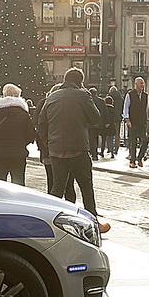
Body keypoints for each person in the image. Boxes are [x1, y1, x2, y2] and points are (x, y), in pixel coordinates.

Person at [36, 68, 108, 231]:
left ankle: (50, 221)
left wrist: (49, 143)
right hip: (78, 148)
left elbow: (41, 123)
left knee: (58, 187)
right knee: (86, 186)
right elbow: (96, 118)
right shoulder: (83, 95)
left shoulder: (51, 97)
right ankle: (93, 223)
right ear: (80, 82)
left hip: (56, 150)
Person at [0, 84, 36, 186]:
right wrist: (22, 143)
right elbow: (31, 134)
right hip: (18, 154)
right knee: (18, 184)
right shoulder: (23, 113)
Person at [125, 76, 149, 169]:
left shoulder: (145, 96)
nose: (143, 85)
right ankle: (132, 161)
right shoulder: (130, 94)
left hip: (142, 122)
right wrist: (127, 119)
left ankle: (140, 158)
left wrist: (148, 121)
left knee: (146, 140)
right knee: (133, 142)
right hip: (133, 121)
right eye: (141, 83)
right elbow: (126, 107)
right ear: (136, 84)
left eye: (143, 83)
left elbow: (146, 109)